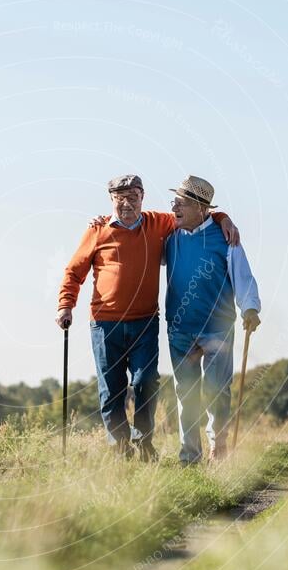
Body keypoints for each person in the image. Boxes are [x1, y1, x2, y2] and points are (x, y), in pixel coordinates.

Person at [55, 175, 238, 460]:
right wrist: (66, 305)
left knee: (145, 383)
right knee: (111, 389)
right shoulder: (97, 230)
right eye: (120, 198)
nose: (127, 203)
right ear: (111, 200)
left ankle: (144, 445)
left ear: (143, 197)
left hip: (145, 322)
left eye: (133, 197)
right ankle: (120, 448)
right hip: (105, 323)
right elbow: (74, 271)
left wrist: (223, 217)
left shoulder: (158, 223)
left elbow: (196, 214)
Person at [164, 175, 261, 465]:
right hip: (180, 329)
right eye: (174, 203)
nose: (174, 209)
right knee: (187, 393)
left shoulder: (225, 238)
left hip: (218, 328)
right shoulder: (170, 237)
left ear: (201, 208)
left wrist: (250, 309)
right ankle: (189, 457)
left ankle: (218, 449)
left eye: (181, 204)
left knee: (218, 390)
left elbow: (243, 276)